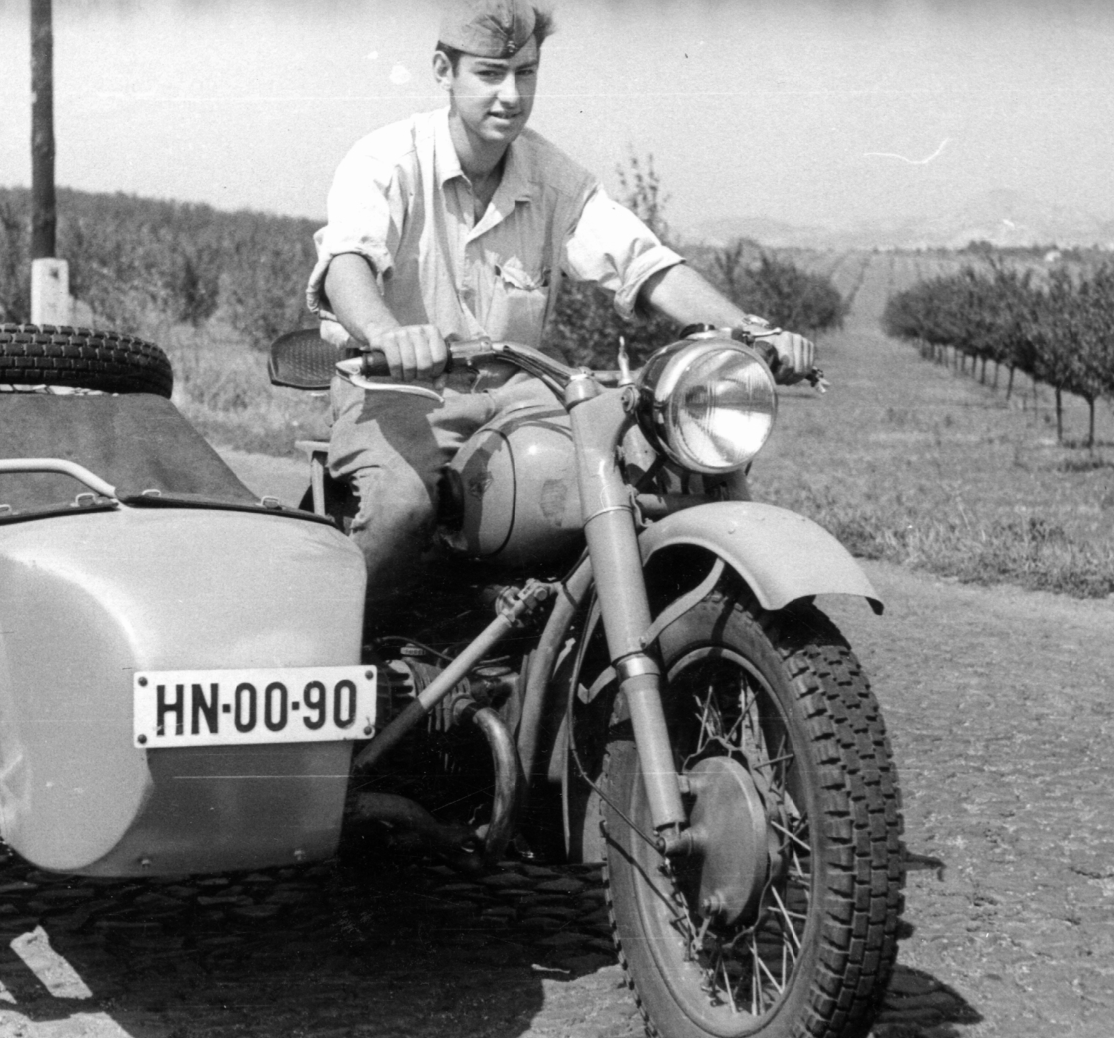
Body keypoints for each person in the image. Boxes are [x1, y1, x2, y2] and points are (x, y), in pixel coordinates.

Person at [306, 0, 814, 600]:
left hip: (519, 396)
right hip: (398, 391)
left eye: (526, 73)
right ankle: (344, 658)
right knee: (400, 508)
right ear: (444, 71)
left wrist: (750, 330)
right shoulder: (387, 161)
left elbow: (644, 263)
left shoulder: (553, 176)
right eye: (490, 74)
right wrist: (388, 331)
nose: (511, 95)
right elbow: (349, 263)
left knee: (653, 475)